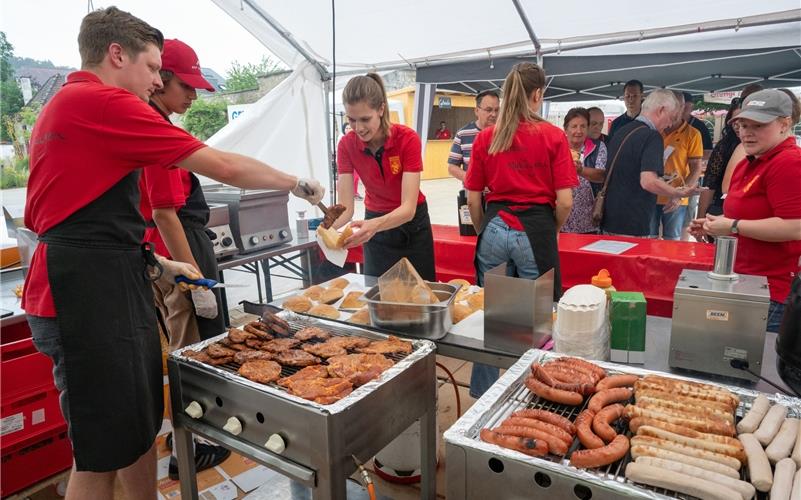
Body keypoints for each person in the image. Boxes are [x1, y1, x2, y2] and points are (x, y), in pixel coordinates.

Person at [22, 8, 324, 500]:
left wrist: (158, 262)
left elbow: (81, 216)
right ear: (116, 55)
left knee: (138, 426)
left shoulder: (71, 103)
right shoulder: (103, 103)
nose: (158, 81)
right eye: (152, 67)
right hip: (83, 298)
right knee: (100, 454)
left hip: (107, 280)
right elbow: (222, 163)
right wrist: (299, 183)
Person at [137, 38, 230, 479]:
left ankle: (193, 437)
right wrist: (193, 279)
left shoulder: (155, 123)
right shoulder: (156, 132)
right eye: (186, 86)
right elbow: (163, 213)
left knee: (190, 347)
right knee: (190, 350)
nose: (193, 96)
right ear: (159, 82)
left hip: (172, 251)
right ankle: (189, 447)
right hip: (178, 253)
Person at [464, 62, 578, 398]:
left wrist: (486, 229)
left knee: (494, 316)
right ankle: (533, 394)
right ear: (538, 94)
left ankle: (484, 393)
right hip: (536, 226)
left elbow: (473, 199)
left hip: (495, 225)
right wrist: (549, 230)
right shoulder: (553, 136)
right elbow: (566, 202)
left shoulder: (488, 136)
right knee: (538, 323)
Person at [690, 89, 801, 333]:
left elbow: (795, 227)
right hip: (744, 282)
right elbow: (750, 215)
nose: (747, 133)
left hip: (770, 292)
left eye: (758, 125)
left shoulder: (788, 162)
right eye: (742, 124)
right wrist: (714, 223)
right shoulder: (751, 161)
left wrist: (732, 225)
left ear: (785, 124)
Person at [333, 73, 435, 280]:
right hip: (375, 223)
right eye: (351, 120)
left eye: (365, 119)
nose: (358, 128)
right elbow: (345, 208)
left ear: (381, 109)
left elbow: (408, 209)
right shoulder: (346, 145)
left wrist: (374, 226)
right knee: (377, 293)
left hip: (412, 226)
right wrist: (324, 229)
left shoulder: (407, 139)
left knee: (422, 296)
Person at [600, 89, 700, 237]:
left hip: (610, 218)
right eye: (671, 118)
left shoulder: (621, 131)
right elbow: (648, 182)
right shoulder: (652, 137)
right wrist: (678, 192)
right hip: (634, 221)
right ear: (661, 110)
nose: (670, 124)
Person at [653, 91, 703, 240]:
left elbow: (696, 168)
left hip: (675, 198)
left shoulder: (693, 134)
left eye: (680, 105)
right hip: (651, 195)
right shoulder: (654, 130)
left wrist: (679, 195)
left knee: (672, 241)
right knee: (648, 239)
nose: (676, 109)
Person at [560, 107, 607, 234]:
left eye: (583, 126)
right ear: (566, 129)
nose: (578, 131)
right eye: (574, 126)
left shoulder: (598, 147)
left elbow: (602, 175)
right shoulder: (557, 147)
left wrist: (580, 170)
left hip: (589, 222)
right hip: (560, 222)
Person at [698, 97, 743, 217]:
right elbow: (710, 183)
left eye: (744, 121)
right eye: (735, 121)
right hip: (722, 208)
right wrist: (701, 217)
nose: (739, 126)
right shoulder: (725, 146)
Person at [447, 89, 500, 182]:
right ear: (476, 111)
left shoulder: (505, 133)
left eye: (497, 110)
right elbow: (452, 167)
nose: (494, 114)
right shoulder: (463, 134)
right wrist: (472, 180)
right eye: (489, 110)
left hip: (500, 193)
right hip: (473, 193)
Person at [682, 92, 713, 158]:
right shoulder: (670, 124)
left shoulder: (699, 126)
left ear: (692, 107)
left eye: (685, 107)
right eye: (680, 107)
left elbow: (708, 151)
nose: (682, 110)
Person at [341, 122, 362, 199]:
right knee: (351, 179)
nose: (348, 129)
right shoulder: (342, 139)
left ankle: (355, 193)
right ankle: (349, 193)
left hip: (356, 162)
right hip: (348, 163)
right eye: (346, 128)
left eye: (350, 128)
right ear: (343, 130)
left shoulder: (355, 138)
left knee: (356, 178)